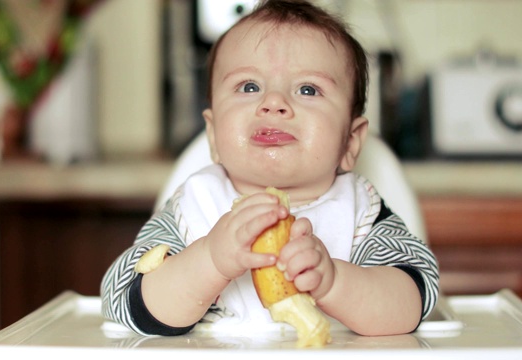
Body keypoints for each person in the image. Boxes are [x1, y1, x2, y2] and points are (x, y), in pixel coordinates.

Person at [101, 0, 439, 338]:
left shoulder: (360, 215)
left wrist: (335, 282)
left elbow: (416, 298)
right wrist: (209, 261)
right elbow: (121, 297)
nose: (274, 102)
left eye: (308, 89)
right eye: (249, 86)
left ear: (350, 142)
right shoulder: (194, 208)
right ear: (214, 135)